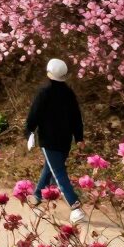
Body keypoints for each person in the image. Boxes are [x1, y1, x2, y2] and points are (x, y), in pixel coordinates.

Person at [24, 58, 87, 225]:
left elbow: (34, 114)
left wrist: (29, 130)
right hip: (65, 139)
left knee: (58, 172)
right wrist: (79, 137)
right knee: (51, 167)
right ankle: (37, 196)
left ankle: (75, 206)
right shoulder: (69, 93)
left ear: (49, 73)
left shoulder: (44, 92)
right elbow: (76, 117)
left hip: (49, 140)